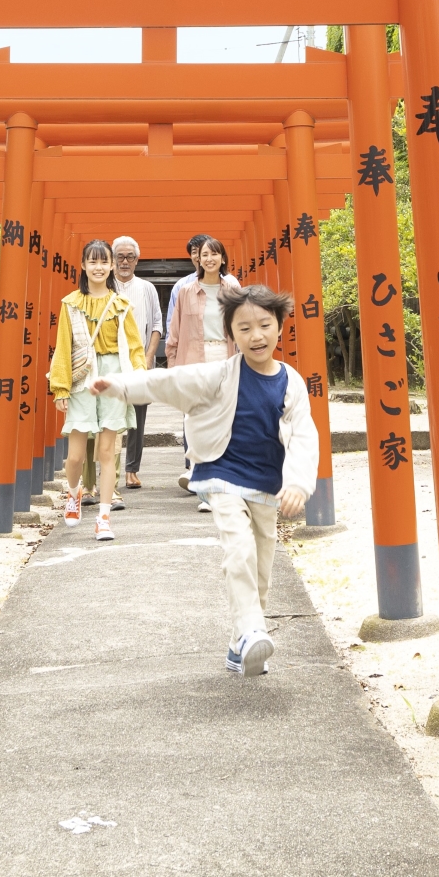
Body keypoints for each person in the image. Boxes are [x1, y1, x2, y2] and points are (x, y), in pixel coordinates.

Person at [90, 286, 314, 676]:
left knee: (261, 572)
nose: (256, 335)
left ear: (280, 327)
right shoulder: (221, 374)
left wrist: (297, 484)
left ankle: (239, 643)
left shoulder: (291, 383)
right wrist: (123, 387)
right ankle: (251, 632)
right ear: (231, 334)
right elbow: (172, 382)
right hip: (222, 475)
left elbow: (303, 435)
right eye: (244, 328)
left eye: (264, 325)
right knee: (239, 549)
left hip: (265, 484)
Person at [47, 239, 144, 542]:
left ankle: (103, 517)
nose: (99, 267)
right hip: (82, 376)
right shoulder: (71, 303)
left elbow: (135, 346)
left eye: (104, 262)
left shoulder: (121, 305)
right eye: (93, 261)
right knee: (75, 455)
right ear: (83, 265)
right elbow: (63, 347)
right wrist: (60, 388)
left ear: (112, 266)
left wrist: (138, 378)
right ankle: (74, 494)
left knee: (106, 451)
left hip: (114, 376)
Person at [161, 235, 244, 511]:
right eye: (204, 254)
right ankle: (204, 488)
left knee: (224, 421)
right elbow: (174, 334)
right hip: (194, 360)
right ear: (197, 259)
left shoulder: (232, 288)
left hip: (225, 356)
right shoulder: (186, 290)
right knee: (196, 422)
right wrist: (172, 366)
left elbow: (243, 325)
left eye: (214, 254)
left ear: (223, 258)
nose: (208, 259)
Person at [110, 235, 167, 488]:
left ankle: (132, 469)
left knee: (137, 416)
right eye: (120, 256)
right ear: (113, 259)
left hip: (140, 362)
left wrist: (147, 356)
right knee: (109, 416)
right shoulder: (105, 286)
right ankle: (108, 470)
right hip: (110, 361)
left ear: (137, 260)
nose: (124, 261)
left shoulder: (147, 288)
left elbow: (157, 324)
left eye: (129, 257)